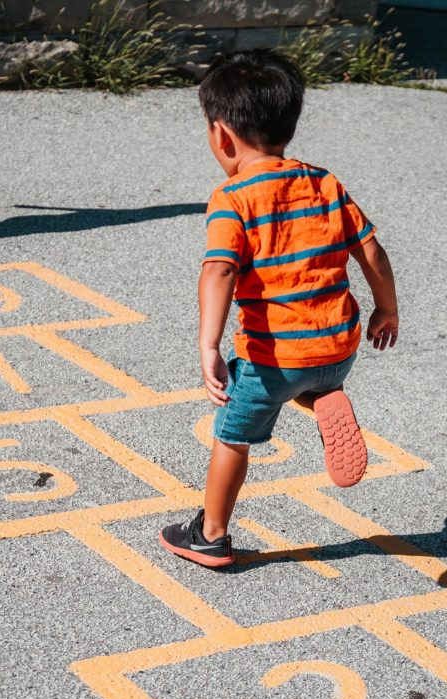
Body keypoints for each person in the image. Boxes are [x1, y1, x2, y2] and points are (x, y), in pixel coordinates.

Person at [160, 50, 399, 569]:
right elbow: (372, 251)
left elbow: (219, 270)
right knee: (308, 374)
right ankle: (324, 397)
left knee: (232, 435)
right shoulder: (325, 182)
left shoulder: (234, 198)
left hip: (275, 361)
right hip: (339, 349)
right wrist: (387, 311)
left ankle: (209, 534)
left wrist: (207, 346)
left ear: (221, 135)